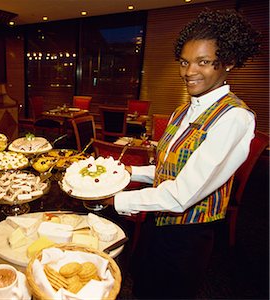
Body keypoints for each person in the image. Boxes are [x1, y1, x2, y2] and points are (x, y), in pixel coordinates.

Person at [109, 9, 260, 298]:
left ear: (227, 62)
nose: (190, 71)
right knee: (141, 286)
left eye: (203, 62)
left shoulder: (235, 118)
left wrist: (114, 197)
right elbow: (173, 169)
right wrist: (130, 172)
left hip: (186, 237)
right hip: (157, 219)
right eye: (185, 62)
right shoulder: (183, 110)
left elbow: (183, 194)